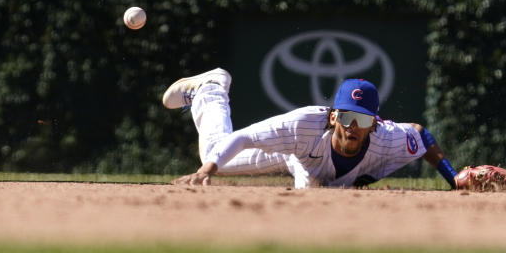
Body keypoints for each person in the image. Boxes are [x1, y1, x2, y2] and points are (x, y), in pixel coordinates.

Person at [164, 69, 463, 189]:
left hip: (311, 163)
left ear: (373, 124)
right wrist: (208, 170)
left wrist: (454, 179)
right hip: (296, 150)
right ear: (333, 117)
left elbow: (421, 135)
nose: (352, 128)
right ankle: (212, 88)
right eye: (347, 118)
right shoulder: (302, 125)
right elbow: (243, 138)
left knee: (317, 191)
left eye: (362, 121)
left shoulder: (388, 139)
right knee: (212, 151)